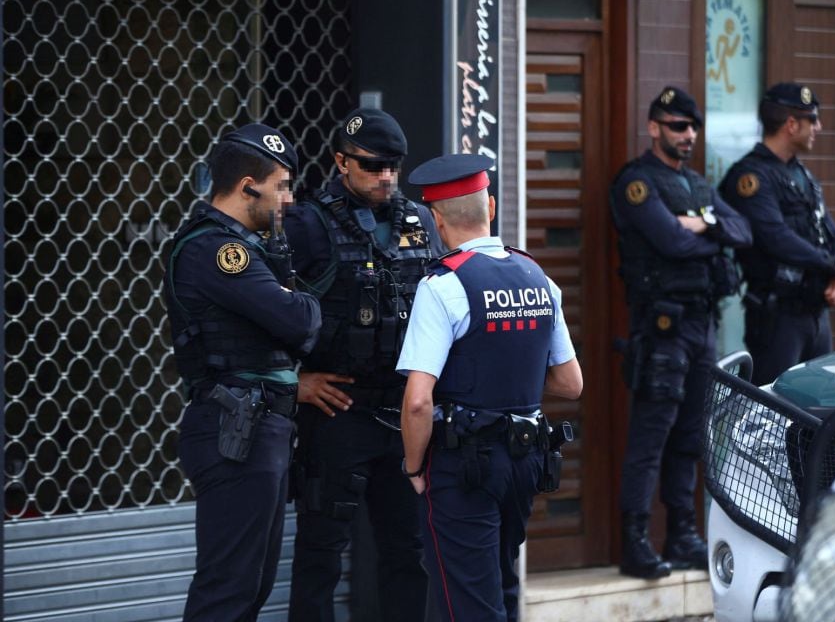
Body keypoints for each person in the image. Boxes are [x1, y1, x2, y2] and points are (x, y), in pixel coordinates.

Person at [397, 154, 583, 622]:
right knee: (499, 588)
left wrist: (415, 467)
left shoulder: (443, 286)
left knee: (469, 603)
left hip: (463, 467)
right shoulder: (537, 277)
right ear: (492, 207)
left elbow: (418, 401)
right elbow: (570, 382)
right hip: (523, 459)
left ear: (437, 221)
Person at [285, 108, 444, 622]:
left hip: (402, 414)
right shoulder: (305, 224)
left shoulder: (418, 221)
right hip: (338, 413)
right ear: (341, 162)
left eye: (393, 167)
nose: (385, 178)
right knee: (320, 556)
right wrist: (295, 382)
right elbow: (264, 311)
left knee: (406, 552)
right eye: (373, 166)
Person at [165, 123, 321, 621]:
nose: (288, 200)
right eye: (281, 186)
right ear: (247, 185)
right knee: (228, 589)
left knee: (252, 586)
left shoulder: (249, 247)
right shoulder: (218, 251)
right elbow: (300, 322)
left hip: (259, 428)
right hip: (236, 431)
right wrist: (301, 304)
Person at [610, 86, 752, 579]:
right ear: (654, 128)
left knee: (691, 436)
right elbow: (669, 241)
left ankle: (683, 534)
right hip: (662, 327)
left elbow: (743, 231)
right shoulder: (637, 183)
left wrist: (703, 222)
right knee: (652, 436)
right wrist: (704, 233)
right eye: (676, 126)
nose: (687, 135)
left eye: (691, 127)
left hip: (702, 323)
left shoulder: (697, 186)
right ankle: (634, 542)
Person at [720, 82, 835, 388]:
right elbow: (775, 237)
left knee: (818, 410)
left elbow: (830, 230)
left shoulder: (802, 175)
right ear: (791, 124)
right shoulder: (750, 177)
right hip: (777, 319)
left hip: (815, 313)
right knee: (773, 414)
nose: (818, 127)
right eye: (813, 120)